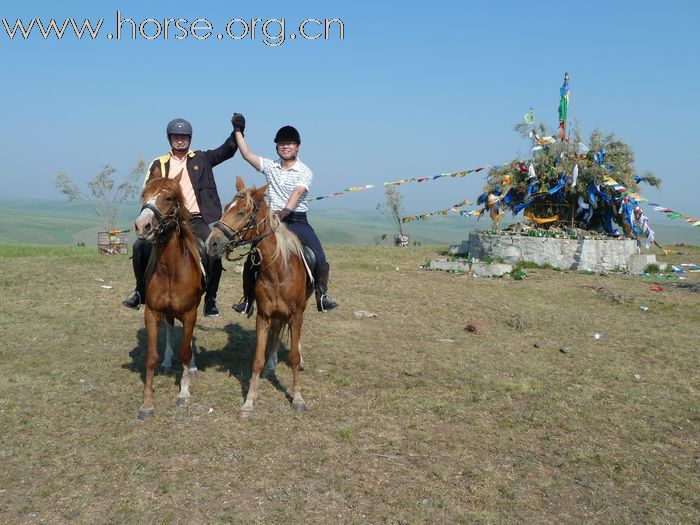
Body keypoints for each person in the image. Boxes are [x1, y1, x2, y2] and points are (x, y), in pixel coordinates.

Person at [122, 116, 240, 317]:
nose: (180, 140)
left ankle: (210, 298)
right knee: (139, 247)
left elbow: (226, 151)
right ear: (170, 138)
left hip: (195, 220)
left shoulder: (201, 159)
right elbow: (149, 191)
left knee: (213, 249)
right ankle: (140, 290)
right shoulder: (159, 163)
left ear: (190, 139)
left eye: (184, 137)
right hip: (167, 221)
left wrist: (237, 130)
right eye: (176, 136)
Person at [230, 114, 337, 313]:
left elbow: (298, 192)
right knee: (252, 259)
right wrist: (238, 131)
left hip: (296, 220)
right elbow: (246, 154)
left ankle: (322, 294)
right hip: (271, 220)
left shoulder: (305, 171)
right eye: (281, 144)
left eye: (290, 144)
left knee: (319, 255)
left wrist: (286, 210)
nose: (285, 147)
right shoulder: (270, 167)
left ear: (298, 147)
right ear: (277, 147)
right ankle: (247, 299)